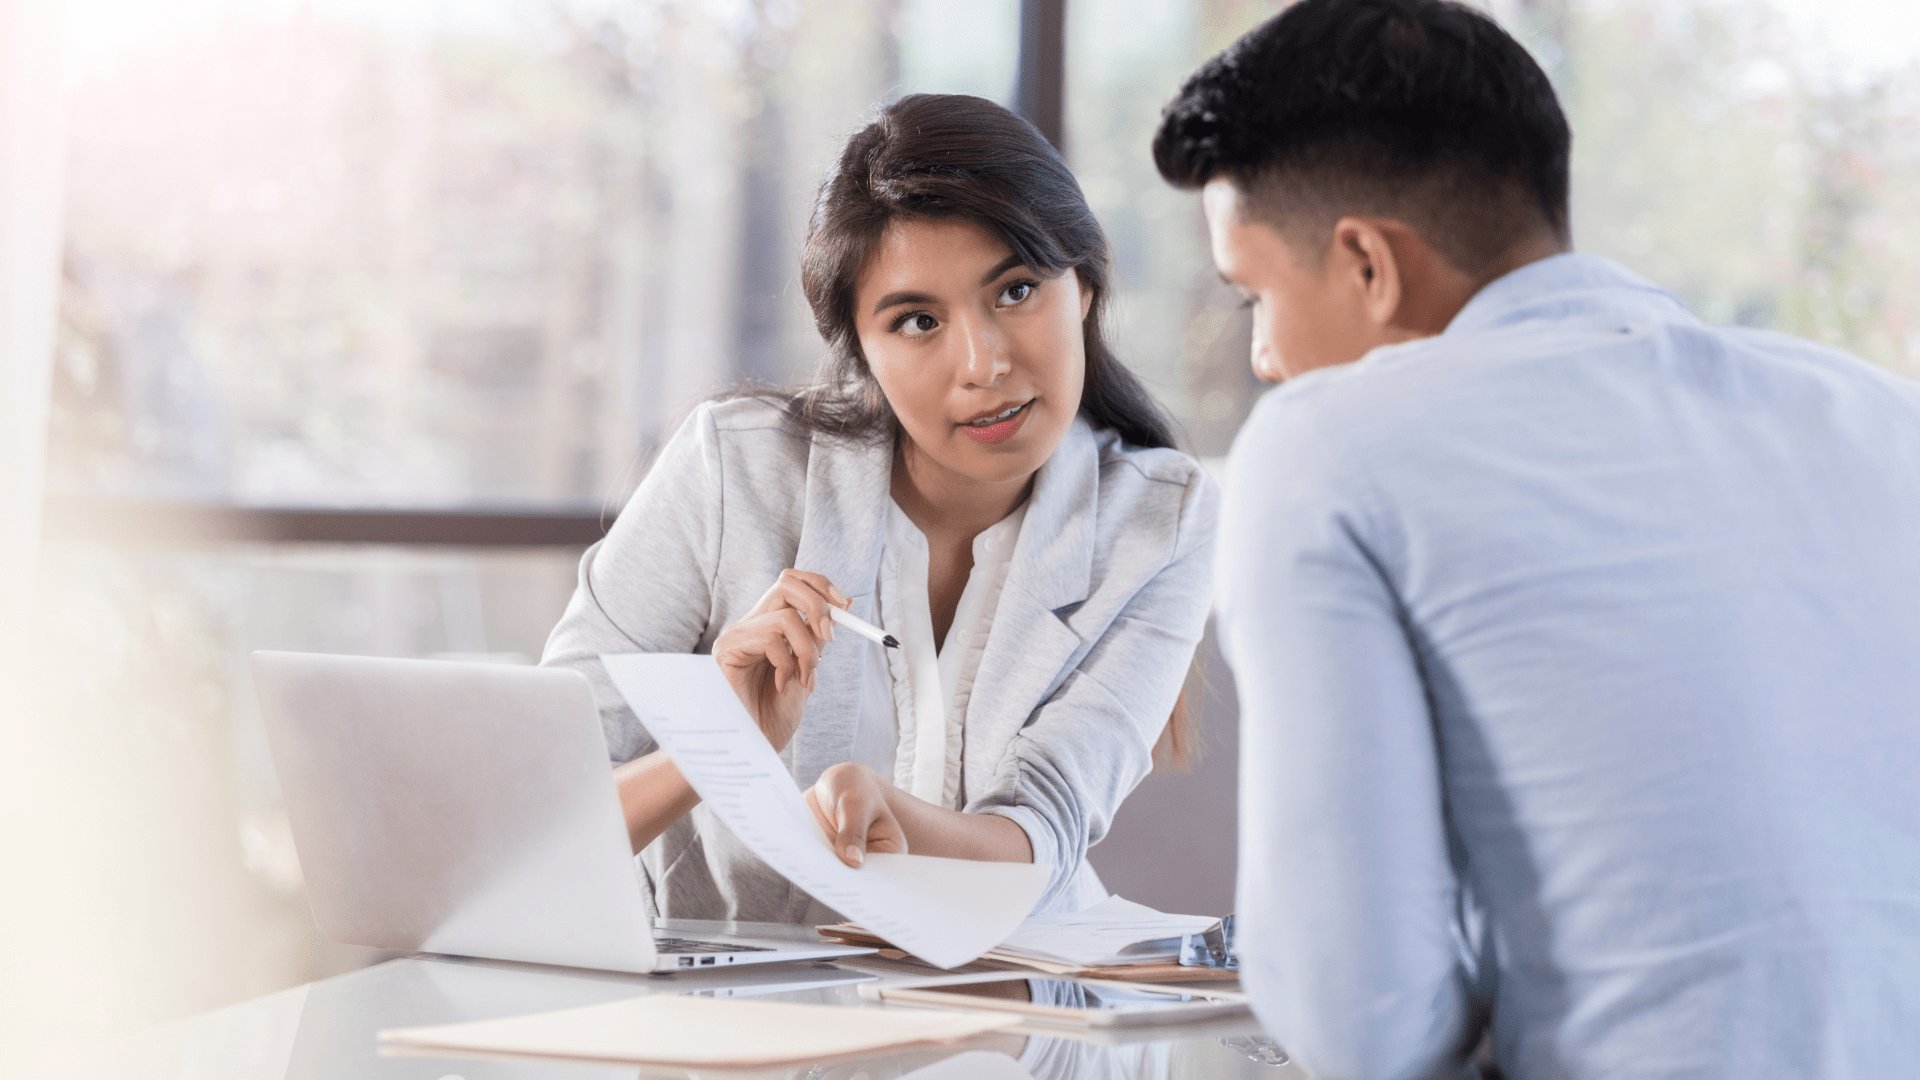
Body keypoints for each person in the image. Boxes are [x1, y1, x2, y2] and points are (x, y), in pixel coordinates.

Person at [1153, 1, 1920, 1077]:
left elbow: (1361, 1024)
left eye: (1252, 300)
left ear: (1368, 263)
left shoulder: (1327, 447)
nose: (1266, 358)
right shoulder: (1878, 414)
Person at [542, 93, 1218, 926]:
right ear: (861, 348)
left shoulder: (1161, 521)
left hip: (1006, 995)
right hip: (730, 1005)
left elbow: (1047, 829)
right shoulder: (731, 469)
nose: (982, 365)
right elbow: (533, 819)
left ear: (1082, 285)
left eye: (1015, 291)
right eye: (918, 321)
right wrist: (716, 743)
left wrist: (895, 817)